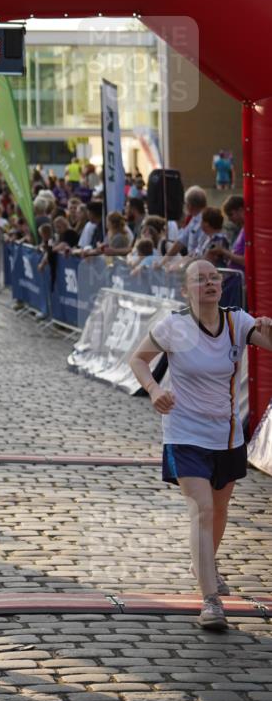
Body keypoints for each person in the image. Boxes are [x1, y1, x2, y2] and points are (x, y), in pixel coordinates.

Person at [129, 260, 272, 630]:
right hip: (184, 433)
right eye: (200, 279)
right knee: (202, 509)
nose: (209, 283)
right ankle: (210, 600)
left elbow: (269, 343)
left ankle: (203, 564)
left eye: (214, 278)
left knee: (219, 512)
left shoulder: (237, 322)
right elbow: (138, 359)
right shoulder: (173, 326)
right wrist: (154, 389)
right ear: (185, 289)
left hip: (227, 435)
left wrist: (269, 328)